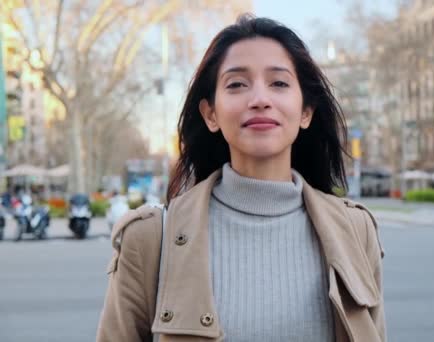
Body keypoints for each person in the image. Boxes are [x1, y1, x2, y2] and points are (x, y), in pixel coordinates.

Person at [97, 14, 385, 342]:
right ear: (211, 114)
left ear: (306, 111)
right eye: (236, 84)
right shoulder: (149, 239)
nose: (259, 99)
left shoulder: (356, 231)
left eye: (278, 83)